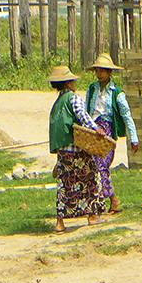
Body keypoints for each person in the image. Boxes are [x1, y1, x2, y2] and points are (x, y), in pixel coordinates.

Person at [82, 54, 139, 216]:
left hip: (107, 131)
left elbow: (126, 115)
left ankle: (110, 199)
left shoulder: (117, 93)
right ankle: (108, 199)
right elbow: (87, 111)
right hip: (93, 130)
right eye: (97, 71)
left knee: (102, 165)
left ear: (109, 72)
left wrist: (133, 137)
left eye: (103, 71)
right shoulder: (92, 89)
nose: (100, 74)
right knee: (94, 166)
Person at [48, 64, 98, 231]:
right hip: (77, 149)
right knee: (90, 177)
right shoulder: (73, 98)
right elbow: (82, 116)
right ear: (68, 83)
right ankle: (92, 215)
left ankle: (60, 222)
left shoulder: (57, 103)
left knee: (65, 184)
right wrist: (95, 128)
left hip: (63, 151)